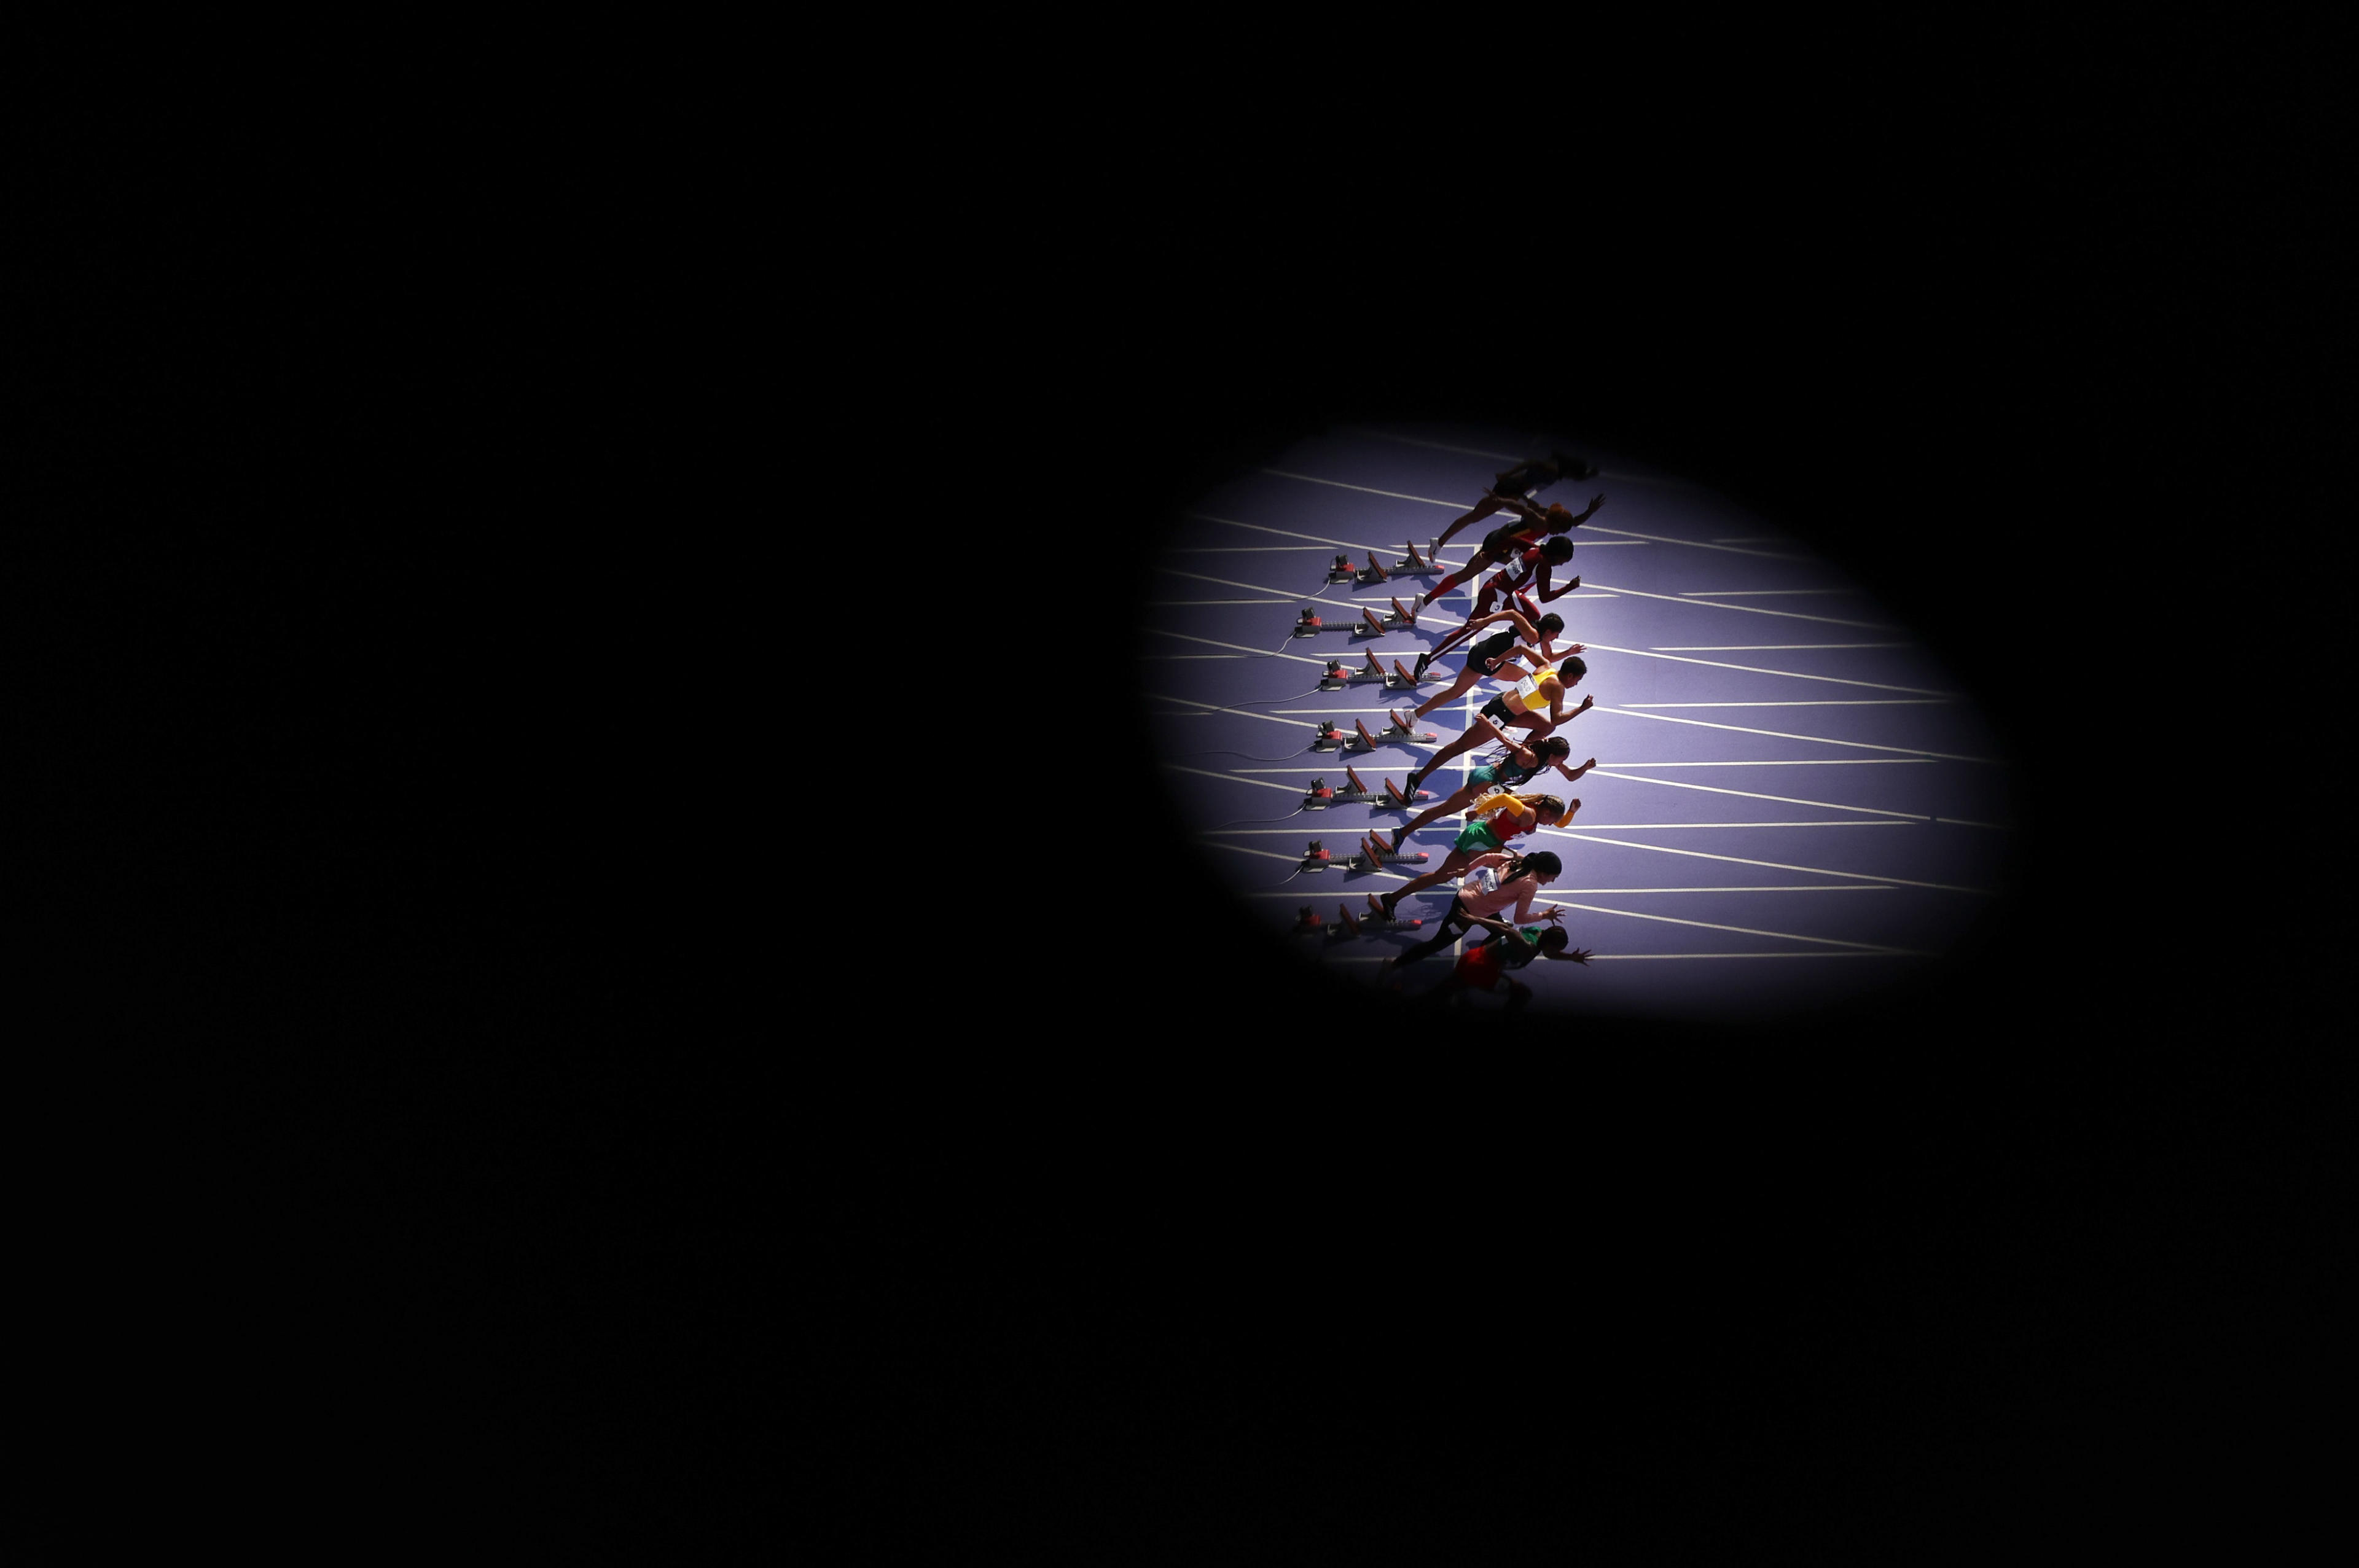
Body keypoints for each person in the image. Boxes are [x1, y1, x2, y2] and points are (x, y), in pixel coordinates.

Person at [1404, 657, 1594, 795]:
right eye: (1578, 680)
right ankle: (1417, 778)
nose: (1576, 684)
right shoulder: (1558, 688)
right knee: (1459, 747)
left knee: (1545, 727)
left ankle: (1517, 757)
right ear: (1570, 675)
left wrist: (1497, 661)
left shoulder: (1547, 666)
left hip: (1506, 704)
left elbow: (1521, 648)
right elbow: (1557, 718)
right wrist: (1582, 708)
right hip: (1499, 714)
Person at [1376, 790, 1569, 918]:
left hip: (1487, 840)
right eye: (1554, 820)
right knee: (1514, 868)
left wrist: (1573, 812)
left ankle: (1391, 899)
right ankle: (1492, 911)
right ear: (1547, 812)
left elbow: (1561, 823)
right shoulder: (1528, 814)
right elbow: (1503, 799)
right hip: (1483, 840)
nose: (1554, 824)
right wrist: (1478, 811)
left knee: (1440, 876)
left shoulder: (1538, 814)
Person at [1387, 739, 1595, 852]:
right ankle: (1479, 819)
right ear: (1552, 756)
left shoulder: (1545, 758)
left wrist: (1585, 767)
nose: (1561, 764)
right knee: (1513, 804)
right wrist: (1491, 726)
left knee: (1444, 810)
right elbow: (1508, 744)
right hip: (1488, 781)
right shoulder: (1531, 756)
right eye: (1561, 760)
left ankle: (1402, 833)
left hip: (1486, 777)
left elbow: (1570, 776)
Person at [1383, 848, 1566, 972]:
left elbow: (1487, 857)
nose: (1553, 881)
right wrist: (1544, 915)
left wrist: (1467, 870)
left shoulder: (1518, 861)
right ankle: (1394, 964)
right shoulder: (1530, 885)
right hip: (1466, 913)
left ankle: (1480, 956)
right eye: (1553, 877)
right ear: (1543, 872)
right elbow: (1520, 918)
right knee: (1437, 944)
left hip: (1470, 896)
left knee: (1501, 929)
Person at [1419, 499, 1598, 609]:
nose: (1557, 534)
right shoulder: (1540, 522)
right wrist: (1501, 500)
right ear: (1555, 523)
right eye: (1559, 531)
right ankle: (1424, 601)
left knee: (1531, 572)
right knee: (1465, 575)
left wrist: (1589, 512)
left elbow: (1572, 522)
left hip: (1512, 548)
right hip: (1498, 544)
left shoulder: (1549, 519)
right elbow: (1522, 510)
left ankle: (1515, 598)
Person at [1409, 605, 1583, 706]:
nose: (1557, 638)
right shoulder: (1533, 634)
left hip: (1478, 653)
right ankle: (1509, 713)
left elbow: (1549, 658)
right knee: (1529, 681)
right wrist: (1483, 622)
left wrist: (1569, 652)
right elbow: (1512, 614)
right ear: (1548, 631)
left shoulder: (1541, 638)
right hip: (1489, 661)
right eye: (1556, 634)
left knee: (1455, 692)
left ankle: (1415, 715)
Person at [1434, 452, 1600, 550]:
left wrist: (1526, 498)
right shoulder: (1553, 469)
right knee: (1474, 517)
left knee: (1476, 517)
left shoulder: (1558, 473)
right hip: (1510, 487)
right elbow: (1531, 463)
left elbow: (1573, 522)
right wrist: (1507, 475)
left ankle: (1439, 542)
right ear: (1570, 470)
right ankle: (1439, 543)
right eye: (1575, 476)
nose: (1572, 479)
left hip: (1518, 492)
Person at [1420, 922, 1594, 1013]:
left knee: (1444, 991)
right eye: (1558, 948)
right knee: (1522, 994)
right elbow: (1507, 930)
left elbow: (1549, 953)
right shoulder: (1528, 949)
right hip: (1480, 968)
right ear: (1548, 944)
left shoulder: (1537, 932)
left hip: (1473, 957)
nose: (1559, 952)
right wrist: (1475, 920)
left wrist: (1570, 957)